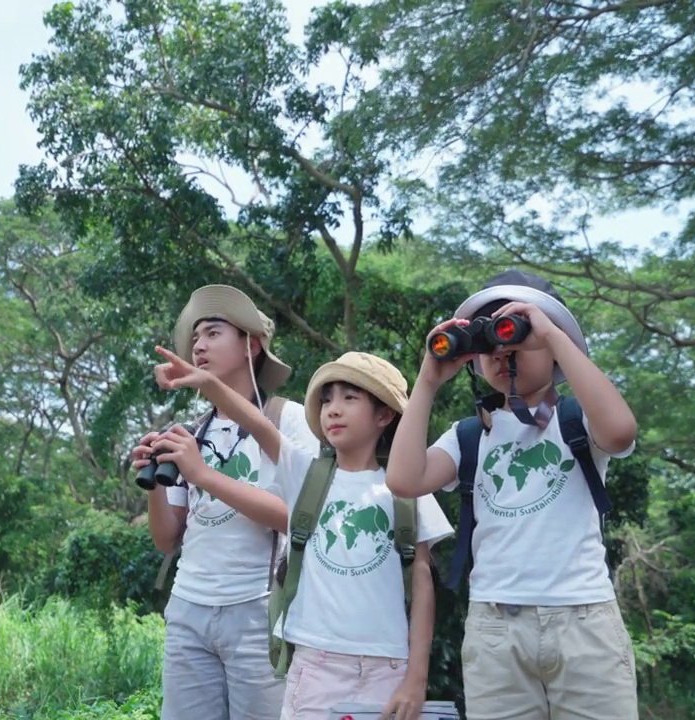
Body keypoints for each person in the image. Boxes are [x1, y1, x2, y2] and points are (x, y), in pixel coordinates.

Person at [385, 270, 639, 720]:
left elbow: (619, 433)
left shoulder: (578, 420)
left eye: (515, 334)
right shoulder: (469, 435)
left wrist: (551, 334)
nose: (503, 351)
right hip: (496, 627)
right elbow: (404, 480)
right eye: (490, 341)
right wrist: (427, 380)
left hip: (583, 621)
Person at [154, 346, 454, 720]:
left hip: (388, 667)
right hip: (315, 665)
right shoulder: (306, 475)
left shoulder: (407, 488)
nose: (334, 409)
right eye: (327, 399)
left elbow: (423, 579)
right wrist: (209, 383)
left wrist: (416, 679)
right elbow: (261, 425)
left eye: (350, 397)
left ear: (384, 414)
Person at [132, 284, 320, 720]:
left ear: (251, 344)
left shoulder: (287, 419)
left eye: (213, 333)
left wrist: (203, 475)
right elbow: (166, 540)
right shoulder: (191, 432)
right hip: (187, 609)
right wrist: (154, 482)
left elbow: (301, 517)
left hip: (257, 611)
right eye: (196, 337)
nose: (199, 345)